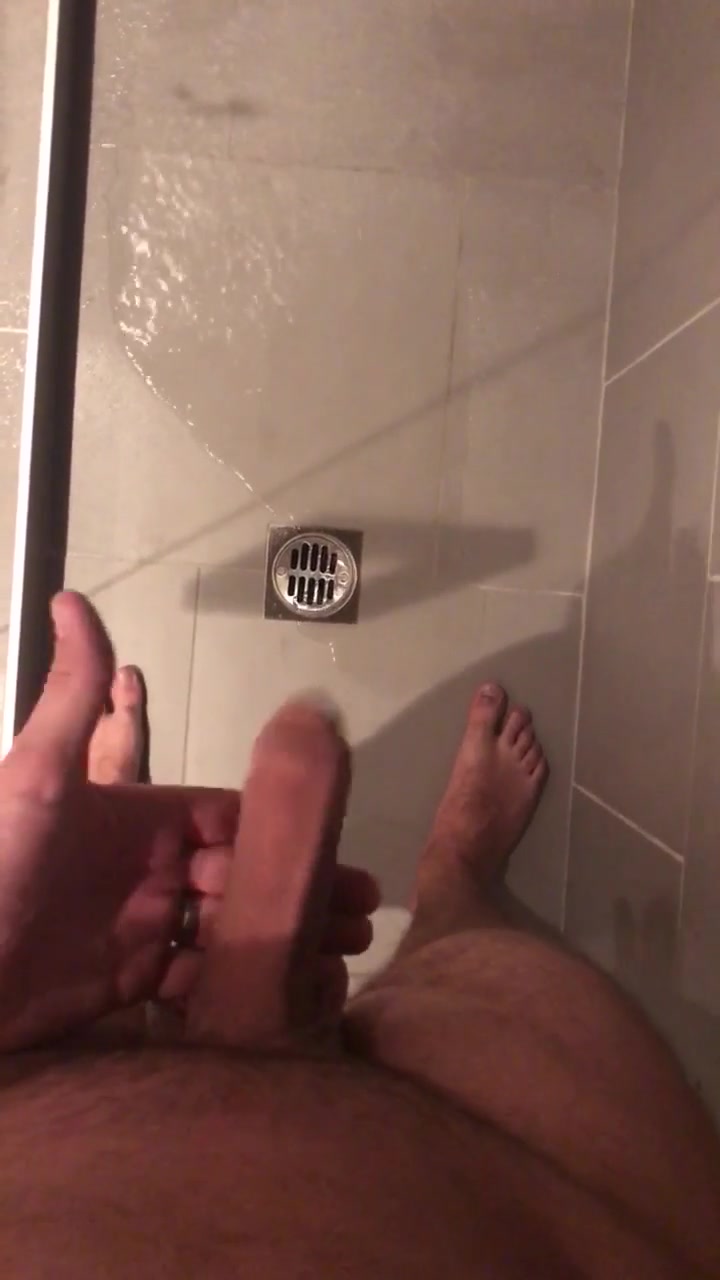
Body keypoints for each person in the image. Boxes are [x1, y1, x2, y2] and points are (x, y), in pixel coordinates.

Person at [0, 592, 719, 1278]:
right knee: (475, 969)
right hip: (529, 1207)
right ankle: (455, 875)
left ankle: (115, 801)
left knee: (91, 998)